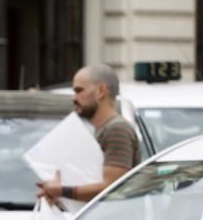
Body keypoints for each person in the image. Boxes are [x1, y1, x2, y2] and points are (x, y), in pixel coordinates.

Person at [37, 63, 141, 203]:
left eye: (79, 91)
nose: (74, 98)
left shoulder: (117, 130)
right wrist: (61, 196)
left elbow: (112, 187)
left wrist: (61, 191)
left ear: (101, 91)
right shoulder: (105, 129)